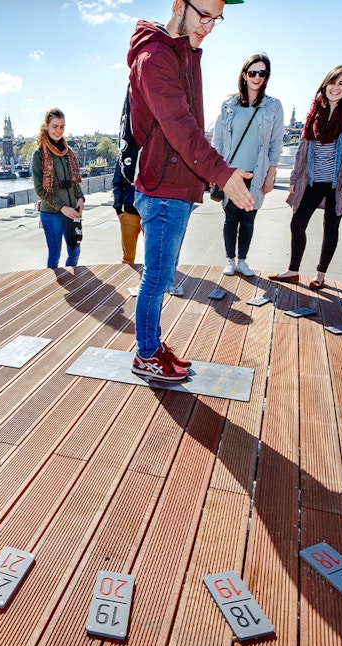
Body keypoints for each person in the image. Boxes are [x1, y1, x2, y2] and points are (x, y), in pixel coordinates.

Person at [127, 0, 253, 382]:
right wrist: (221, 173)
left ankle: (151, 344)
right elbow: (180, 126)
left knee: (161, 276)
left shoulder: (183, 51)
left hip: (177, 185)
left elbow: (191, 125)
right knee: (156, 278)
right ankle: (145, 354)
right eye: (204, 16)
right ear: (180, 5)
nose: (210, 26)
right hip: (164, 187)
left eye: (217, 19)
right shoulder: (155, 56)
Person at [269, 65, 342, 290]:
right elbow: (303, 150)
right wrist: (295, 179)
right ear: (326, 84)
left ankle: (320, 274)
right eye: (332, 82)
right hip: (313, 180)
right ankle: (293, 271)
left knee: (331, 227)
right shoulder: (316, 109)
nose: (336, 87)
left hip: (337, 182)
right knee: (297, 223)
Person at [211, 53, 285, 277]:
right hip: (231, 172)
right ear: (244, 75)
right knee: (230, 218)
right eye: (252, 72)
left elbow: (275, 142)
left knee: (249, 218)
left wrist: (271, 172)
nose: (257, 77)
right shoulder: (229, 104)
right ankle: (230, 260)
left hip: (257, 172)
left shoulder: (273, 106)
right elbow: (219, 140)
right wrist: (215, 170)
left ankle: (242, 260)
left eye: (262, 73)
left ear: (266, 76)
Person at [30, 108, 85, 269]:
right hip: (52, 213)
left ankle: (71, 283)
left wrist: (80, 198)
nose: (58, 130)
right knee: (55, 255)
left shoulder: (68, 152)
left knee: (75, 252)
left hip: (72, 211)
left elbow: (74, 181)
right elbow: (40, 189)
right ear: (46, 126)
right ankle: (55, 289)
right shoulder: (39, 155)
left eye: (62, 127)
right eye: (54, 126)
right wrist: (62, 207)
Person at [112, 165, 141, 265]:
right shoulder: (126, 153)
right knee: (128, 258)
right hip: (129, 213)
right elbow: (117, 183)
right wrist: (118, 209)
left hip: (152, 214)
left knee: (154, 256)